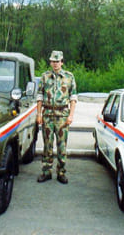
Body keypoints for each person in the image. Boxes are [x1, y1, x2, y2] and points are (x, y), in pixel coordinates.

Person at [36, 50, 77, 184]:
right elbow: (39, 96)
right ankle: (46, 172)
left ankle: (61, 172)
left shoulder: (69, 77)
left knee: (62, 146)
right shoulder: (44, 77)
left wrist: (71, 115)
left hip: (62, 116)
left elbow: (73, 97)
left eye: (57, 61)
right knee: (47, 145)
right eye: (53, 61)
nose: (55, 64)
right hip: (47, 115)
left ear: (62, 62)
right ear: (50, 62)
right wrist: (38, 114)